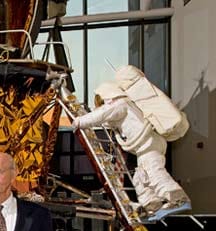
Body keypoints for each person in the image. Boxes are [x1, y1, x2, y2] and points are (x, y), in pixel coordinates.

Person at [72, 81, 191, 218]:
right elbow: (104, 118)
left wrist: (79, 121)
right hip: (148, 144)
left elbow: (101, 115)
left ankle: (178, 199)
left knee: (154, 172)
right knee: (140, 177)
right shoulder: (127, 105)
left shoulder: (119, 104)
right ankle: (152, 206)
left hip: (147, 144)